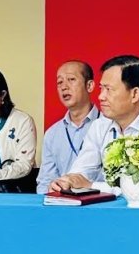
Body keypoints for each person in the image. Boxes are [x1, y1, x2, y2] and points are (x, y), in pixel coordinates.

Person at [47, 54, 139, 197]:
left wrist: (91, 186)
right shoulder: (99, 126)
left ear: (134, 94)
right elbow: (81, 172)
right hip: (111, 209)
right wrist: (67, 181)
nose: (101, 96)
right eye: (101, 88)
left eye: (108, 89)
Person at [37, 60, 101, 193]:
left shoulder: (109, 126)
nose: (64, 87)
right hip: (62, 202)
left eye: (71, 79)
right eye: (59, 82)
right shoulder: (52, 133)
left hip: (100, 200)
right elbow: (45, 181)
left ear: (89, 86)